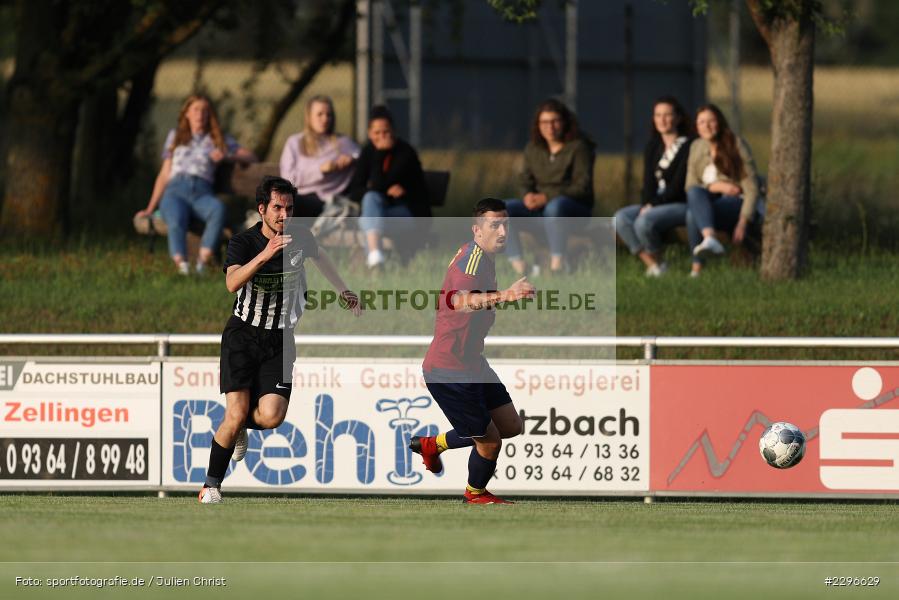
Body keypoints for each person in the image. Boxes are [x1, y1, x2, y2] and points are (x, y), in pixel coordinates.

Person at [199, 176, 360, 504]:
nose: (284, 214)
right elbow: (231, 283)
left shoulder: (301, 236)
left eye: (289, 208)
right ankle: (210, 486)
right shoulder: (243, 243)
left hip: (281, 339)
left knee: (272, 415)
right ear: (262, 210)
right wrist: (264, 256)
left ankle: (241, 425)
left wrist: (343, 289)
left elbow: (321, 256)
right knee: (235, 413)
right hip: (242, 336)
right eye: (277, 208)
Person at [412, 198, 535, 504]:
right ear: (477, 231)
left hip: (472, 364)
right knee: (490, 443)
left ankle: (434, 444)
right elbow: (460, 301)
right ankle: (475, 494)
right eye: (495, 225)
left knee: (510, 426)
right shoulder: (472, 261)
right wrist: (506, 295)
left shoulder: (482, 256)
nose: (503, 231)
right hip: (448, 369)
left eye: (506, 224)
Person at [136, 94, 257, 275]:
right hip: (176, 190)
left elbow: (251, 157)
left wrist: (227, 156)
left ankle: (202, 263)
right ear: (186, 113)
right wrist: (150, 208)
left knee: (218, 210)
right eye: (196, 110)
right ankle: (182, 267)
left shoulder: (218, 139)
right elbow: (164, 174)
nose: (200, 114)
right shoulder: (175, 136)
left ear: (210, 115)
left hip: (202, 192)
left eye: (205, 111)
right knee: (176, 219)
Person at [504, 98, 594, 275]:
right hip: (538, 209)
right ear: (538, 125)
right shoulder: (533, 148)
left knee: (555, 206)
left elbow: (582, 186)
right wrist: (528, 195)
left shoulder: (578, 148)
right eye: (544, 122)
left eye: (555, 121)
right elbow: (525, 180)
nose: (550, 127)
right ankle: (521, 268)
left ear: (565, 123)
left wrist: (546, 197)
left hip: (572, 209)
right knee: (499, 210)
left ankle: (557, 266)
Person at [614, 96, 693, 277]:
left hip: (680, 203)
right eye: (658, 115)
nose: (662, 120)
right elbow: (648, 183)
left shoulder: (688, 146)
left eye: (667, 115)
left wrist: (652, 205)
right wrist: (646, 203)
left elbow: (678, 186)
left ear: (678, 118)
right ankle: (655, 265)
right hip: (656, 202)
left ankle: (659, 264)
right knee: (621, 218)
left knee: (644, 222)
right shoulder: (653, 146)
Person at [348, 105, 429, 269]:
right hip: (378, 213)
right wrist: (381, 190)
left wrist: (401, 191)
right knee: (371, 200)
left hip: (406, 214)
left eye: (386, 132)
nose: (382, 137)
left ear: (393, 131)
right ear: (370, 134)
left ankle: (373, 260)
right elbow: (355, 191)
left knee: (367, 220)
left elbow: (419, 192)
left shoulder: (405, 153)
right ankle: (376, 260)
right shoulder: (368, 153)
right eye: (377, 133)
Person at [685, 103, 761, 277]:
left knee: (692, 214)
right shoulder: (696, 147)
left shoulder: (736, 144)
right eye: (702, 122)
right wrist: (714, 186)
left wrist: (743, 223)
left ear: (720, 122)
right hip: (706, 203)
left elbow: (752, 187)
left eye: (711, 121)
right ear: (697, 127)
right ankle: (708, 241)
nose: (707, 126)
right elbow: (690, 184)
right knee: (693, 199)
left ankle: (697, 267)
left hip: (735, 203)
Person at [279, 95, 360, 218]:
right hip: (300, 196)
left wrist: (352, 160)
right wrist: (320, 170)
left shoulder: (342, 142)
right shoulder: (295, 142)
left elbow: (362, 157)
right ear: (309, 117)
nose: (325, 119)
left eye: (329, 115)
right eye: (320, 114)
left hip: (328, 202)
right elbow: (287, 179)